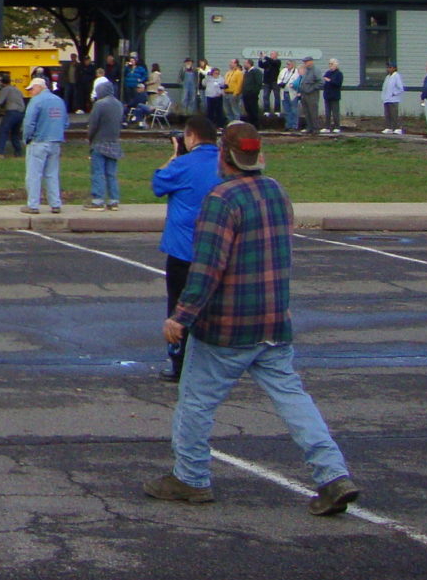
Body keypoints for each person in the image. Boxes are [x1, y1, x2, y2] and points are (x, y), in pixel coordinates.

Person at [143, 122, 360, 517]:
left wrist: (181, 316)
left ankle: (190, 478)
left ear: (224, 157)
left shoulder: (221, 199)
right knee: (293, 399)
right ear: (258, 156)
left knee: (195, 401)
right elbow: (281, 257)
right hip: (273, 321)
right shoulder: (277, 192)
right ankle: (332, 475)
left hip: (227, 326)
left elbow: (207, 267)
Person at [151, 116, 222, 381]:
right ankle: (215, 363)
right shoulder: (226, 163)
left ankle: (179, 363)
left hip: (184, 249)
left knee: (179, 307)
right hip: (218, 249)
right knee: (215, 307)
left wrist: (174, 155)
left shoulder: (181, 165)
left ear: (190, 137)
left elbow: (158, 183)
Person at [19, 75, 67, 216]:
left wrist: (26, 138)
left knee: (34, 175)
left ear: (39, 87)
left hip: (39, 141)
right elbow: (65, 122)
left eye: (32, 89)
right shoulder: (59, 101)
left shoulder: (36, 101)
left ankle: (33, 205)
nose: (30, 92)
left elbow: (29, 123)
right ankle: (55, 204)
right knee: (52, 174)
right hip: (55, 141)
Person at [85, 76, 124, 210]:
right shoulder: (119, 104)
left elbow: (93, 125)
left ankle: (98, 201)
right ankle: (114, 201)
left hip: (99, 142)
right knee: (111, 174)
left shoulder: (100, 104)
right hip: (114, 143)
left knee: (98, 172)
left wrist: (90, 139)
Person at [0, 75, 25, 158]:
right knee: (15, 133)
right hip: (20, 113)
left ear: (2, 83)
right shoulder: (17, 90)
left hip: (11, 113)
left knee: (3, 131)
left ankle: (0, 152)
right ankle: (18, 153)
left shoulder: (5, 89)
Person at [294, 57, 323, 136]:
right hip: (304, 94)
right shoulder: (306, 71)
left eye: (306, 62)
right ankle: (309, 127)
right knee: (307, 112)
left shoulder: (315, 70)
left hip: (312, 95)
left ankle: (316, 128)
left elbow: (320, 82)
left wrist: (311, 88)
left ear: (311, 62)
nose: (305, 63)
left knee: (313, 112)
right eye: (304, 62)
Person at [320, 59, 344, 134]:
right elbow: (323, 81)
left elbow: (337, 84)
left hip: (335, 96)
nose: (330, 65)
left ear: (336, 65)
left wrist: (329, 81)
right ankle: (327, 127)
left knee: (335, 112)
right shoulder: (328, 72)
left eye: (332, 64)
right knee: (327, 113)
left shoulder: (339, 74)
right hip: (327, 95)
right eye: (329, 64)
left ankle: (337, 127)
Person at [380, 64, 404, 134]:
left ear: (394, 68)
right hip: (386, 99)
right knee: (388, 114)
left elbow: (400, 88)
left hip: (393, 99)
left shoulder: (396, 76)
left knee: (394, 114)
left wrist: (394, 93)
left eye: (390, 67)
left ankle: (397, 128)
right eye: (388, 68)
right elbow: (384, 87)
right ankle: (389, 127)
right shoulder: (387, 77)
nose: (388, 69)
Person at [259, 51, 282, 116]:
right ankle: (266, 111)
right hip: (267, 82)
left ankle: (277, 111)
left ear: (276, 55)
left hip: (275, 81)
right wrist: (260, 58)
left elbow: (273, 62)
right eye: (271, 54)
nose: (271, 55)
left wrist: (265, 57)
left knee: (276, 96)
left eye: (272, 54)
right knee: (265, 96)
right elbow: (261, 65)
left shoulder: (277, 62)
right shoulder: (267, 62)